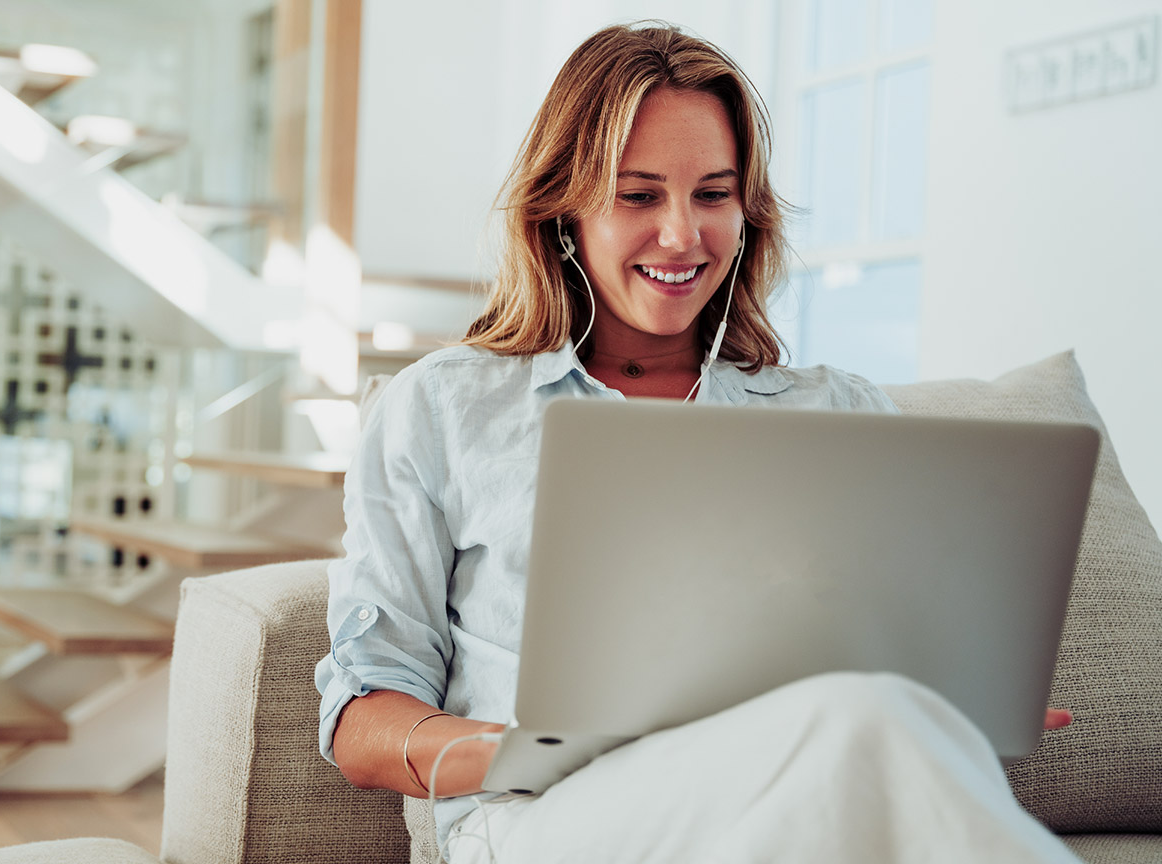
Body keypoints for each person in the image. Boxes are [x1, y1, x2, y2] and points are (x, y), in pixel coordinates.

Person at [314, 21, 1078, 864]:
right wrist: (519, 748)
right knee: (869, 723)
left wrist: (957, 698)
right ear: (563, 206)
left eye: (713, 195)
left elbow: (916, 648)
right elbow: (364, 721)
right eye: (639, 196)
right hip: (541, 819)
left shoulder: (835, 413)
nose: (683, 235)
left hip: (795, 798)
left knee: (875, 728)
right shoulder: (444, 407)